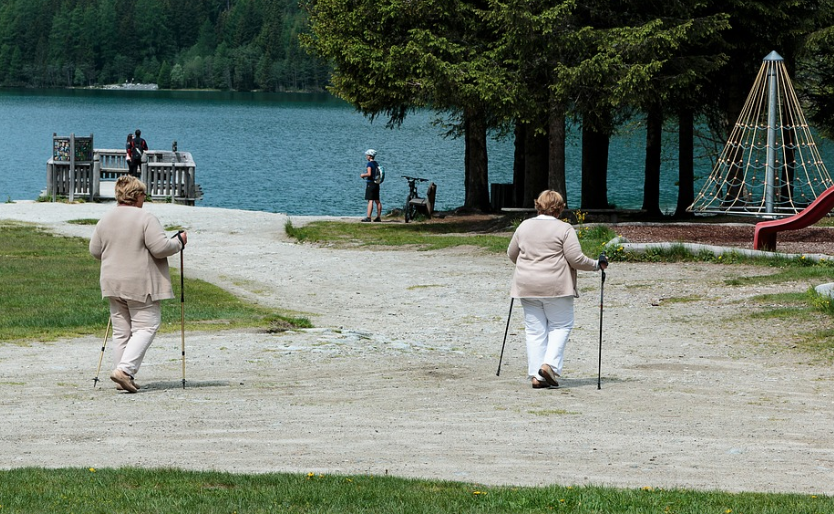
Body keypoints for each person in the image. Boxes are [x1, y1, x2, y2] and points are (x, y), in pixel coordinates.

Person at [89, 175, 187, 393]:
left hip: (112, 283)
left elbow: (95, 251)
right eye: (143, 194)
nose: (145, 198)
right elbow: (160, 247)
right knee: (147, 326)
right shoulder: (145, 217)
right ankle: (124, 371)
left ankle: (122, 375)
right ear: (136, 196)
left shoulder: (106, 218)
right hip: (139, 283)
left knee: (121, 332)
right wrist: (179, 242)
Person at [507, 190, 608, 389]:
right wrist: (597, 264)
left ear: (538, 205)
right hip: (556, 287)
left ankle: (537, 375)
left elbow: (512, 254)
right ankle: (549, 366)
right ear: (559, 208)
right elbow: (576, 259)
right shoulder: (564, 228)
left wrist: (528, 266)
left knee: (535, 331)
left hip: (526, 285)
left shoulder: (524, 226)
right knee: (560, 326)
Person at [359, 148, 382, 222]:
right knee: (377, 201)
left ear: (370, 156)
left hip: (370, 183)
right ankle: (378, 217)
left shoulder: (369, 164)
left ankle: (368, 217)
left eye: (367, 155)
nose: (366, 156)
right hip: (376, 183)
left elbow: (369, 174)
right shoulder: (376, 163)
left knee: (370, 200)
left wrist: (363, 175)